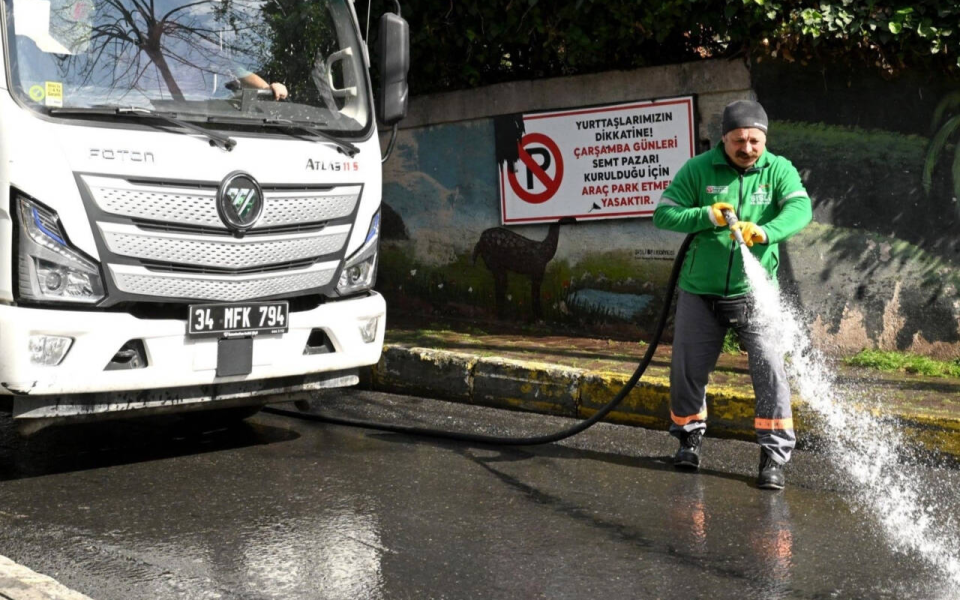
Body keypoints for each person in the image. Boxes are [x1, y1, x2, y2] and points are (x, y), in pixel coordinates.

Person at [652, 100, 812, 490]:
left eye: (755, 140)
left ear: (765, 139)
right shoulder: (698, 169)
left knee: (771, 371)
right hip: (699, 293)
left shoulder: (778, 170)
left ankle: (772, 456)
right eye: (739, 140)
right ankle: (688, 439)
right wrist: (704, 215)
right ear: (723, 138)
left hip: (755, 295)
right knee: (687, 371)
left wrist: (767, 232)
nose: (747, 148)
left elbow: (800, 209)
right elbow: (664, 213)